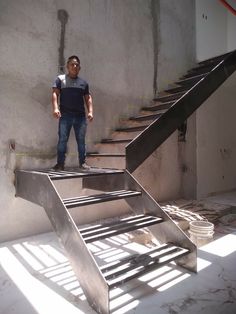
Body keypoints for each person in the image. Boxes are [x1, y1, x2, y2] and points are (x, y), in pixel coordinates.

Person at [52, 55, 93, 170]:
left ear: (79, 68)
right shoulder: (60, 79)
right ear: (67, 66)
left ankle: (83, 163)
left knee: (81, 140)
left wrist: (90, 111)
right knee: (62, 140)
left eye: (77, 65)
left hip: (80, 117)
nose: (74, 66)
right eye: (72, 64)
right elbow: (55, 94)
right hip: (65, 115)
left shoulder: (83, 83)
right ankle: (60, 164)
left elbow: (88, 98)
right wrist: (55, 108)